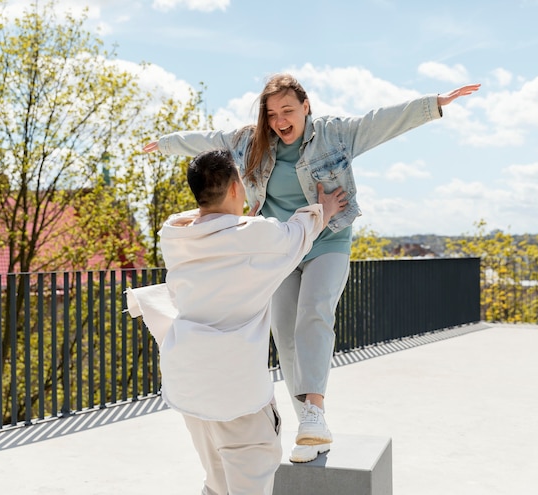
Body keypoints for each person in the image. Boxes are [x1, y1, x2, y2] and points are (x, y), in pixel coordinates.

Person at [143, 74, 480, 462]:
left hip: (328, 241)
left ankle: (315, 411)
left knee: (313, 313)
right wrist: (167, 143)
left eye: (288, 111)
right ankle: (309, 424)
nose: (279, 121)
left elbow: (380, 121)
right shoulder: (250, 142)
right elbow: (211, 140)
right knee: (284, 334)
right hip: (284, 248)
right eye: (271, 115)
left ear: (306, 107)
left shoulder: (335, 135)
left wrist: (434, 103)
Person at [126, 148, 347, 494]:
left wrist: (238, 218)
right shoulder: (257, 238)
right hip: (233, 388)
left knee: (216, 480)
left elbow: (203, 220)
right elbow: (297, 234)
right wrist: (325, 209)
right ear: (233, 189)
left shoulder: (174, 235)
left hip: (187, 381)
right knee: (252, 473)